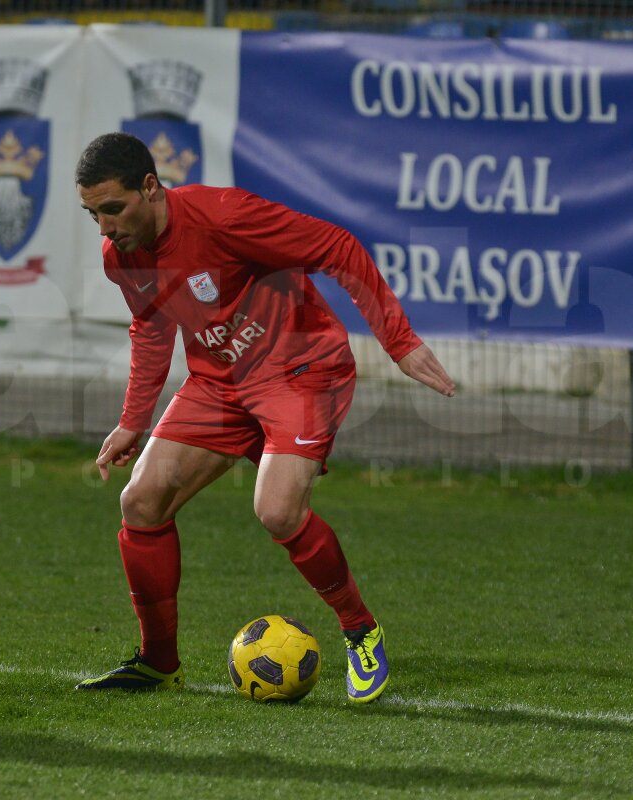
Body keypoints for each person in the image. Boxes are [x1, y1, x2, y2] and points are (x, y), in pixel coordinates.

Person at [73, 133, 455, 703]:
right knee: (140, 501)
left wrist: (397, 341)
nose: (104, 227)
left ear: (150, 187)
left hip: (300, 368)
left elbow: (337, 246)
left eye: (112, 208)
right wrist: (134, 419)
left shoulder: (222, 215)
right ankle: (158, 663)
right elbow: (151, 328)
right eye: (91, 214)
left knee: (276, 509)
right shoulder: (120, 257)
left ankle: (361, 631)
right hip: (219, 383)